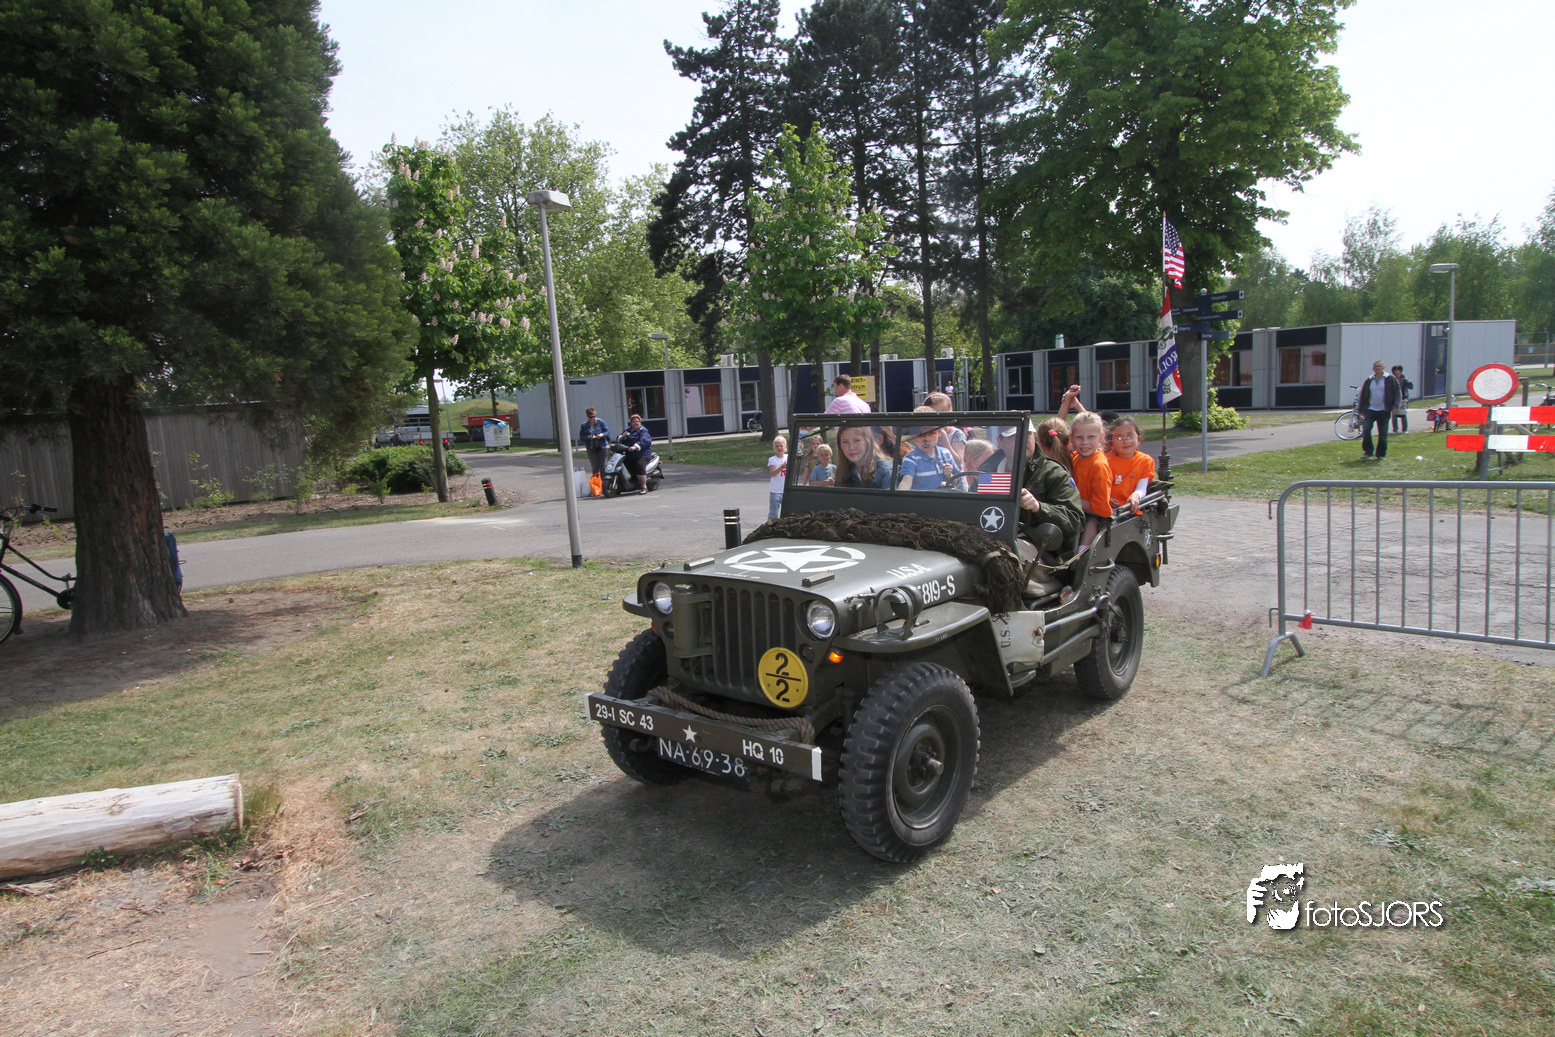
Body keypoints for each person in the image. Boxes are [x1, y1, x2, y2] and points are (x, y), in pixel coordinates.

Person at [1015, 419, 1085, 560]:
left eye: (1027, 434)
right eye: (1014, 436)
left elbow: (1074, 520)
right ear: (1000, 441)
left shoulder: (1054, 473)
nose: (1023, 440)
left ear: (1034, 437)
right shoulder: (990, 470)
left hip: (1044, 549)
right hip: (1001, 534)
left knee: (1004, 552)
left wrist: (1039, 507)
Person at [1069, 412, 1113, 547]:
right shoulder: (1075, 457)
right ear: (1072, 438)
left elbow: (1101, 509)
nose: (1085, 442)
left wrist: (1069, 499)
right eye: (1079, 437)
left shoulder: (1098, 465)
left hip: (1094, 514)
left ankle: (1081, 552)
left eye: (1091, 437)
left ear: (1101, 437)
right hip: (1078, 509)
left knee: (1091, 523)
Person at [897, 409, 957, 491]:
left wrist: (949, 476)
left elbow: (956, 480)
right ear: (912, 435)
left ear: (939, 432)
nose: (926, 439)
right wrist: (901, 496)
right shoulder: (911, 459)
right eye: (920, 435)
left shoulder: (946, 454)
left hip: (944, 498)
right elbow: (906, 481)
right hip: (923, 498)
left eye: (931, 434)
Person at [1105, 416, 1156, 511]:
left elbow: (1142, 488)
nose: (1126, 441)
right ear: (1111, 444)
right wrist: (1106, 498)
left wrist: (1136, 495)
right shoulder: (1105, 460)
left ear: (1139, 440)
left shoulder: (1145, 460)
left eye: (1130, 436)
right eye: (1119, 437)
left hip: (1130, 508)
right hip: (1107, 507)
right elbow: (1098, 486)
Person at [1356, 360, 1401, 460]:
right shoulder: (1369, 380)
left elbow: (1397, 393)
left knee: (1383, 433)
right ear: (1373, 368)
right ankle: (1368, 452)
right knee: (1366, 430)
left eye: (1380, 366)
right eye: (1376, 366)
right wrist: (1361, 409)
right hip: (1371, 409)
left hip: (1384, 410)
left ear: (1384, 367)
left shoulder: (1390, 379)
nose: (1377, 368)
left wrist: (1395, 406)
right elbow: (1364, 395)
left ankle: (1381, 454)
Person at [924, 391, 966, 466]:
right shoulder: (923, 434)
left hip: (953, 473)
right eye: (936, 413)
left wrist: (944, 440)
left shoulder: (956, 434)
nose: (941, 417)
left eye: (945, 412)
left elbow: (958, 463)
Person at [617, 413, 654, 495]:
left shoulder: (643, 430)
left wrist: (635, 446)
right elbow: (618, 438)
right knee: (623, 465)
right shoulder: (627, 430)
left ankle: (644, 486)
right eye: (634, 421)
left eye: (637, 421)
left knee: (639, 465)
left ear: (640, 422)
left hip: (642, 454)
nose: (635, 423)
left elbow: (645, 440)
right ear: (631, 423)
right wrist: (622, 436)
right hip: (629, 454)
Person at [579, 407, 611, 481]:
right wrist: (588, 437)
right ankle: (596, 483)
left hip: (602, 446)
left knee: (603, 465)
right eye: (591, 417)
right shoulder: (584, 425)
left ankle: (604, 483)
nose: (592, 418)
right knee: (595, 466)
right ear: (587, 416)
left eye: (594, 416)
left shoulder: (601, 422)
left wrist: (601, 435)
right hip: (591, 447)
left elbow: (607, 431)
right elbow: (581, 437)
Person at [767, 435, 789, 519]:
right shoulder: (772, 459)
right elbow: (773, 473)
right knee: (773, 513)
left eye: (781, 446)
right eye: (777, 446)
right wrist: (781, 467)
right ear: (774, 448)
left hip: (786, 490)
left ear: (785, 446)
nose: (779, 448)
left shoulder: (788, 457)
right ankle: (771, 525)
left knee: (787, 512)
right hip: (776, 490)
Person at [1391, 365, 1413, 433]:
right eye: (1394, 371)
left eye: (1397, 370)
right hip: (1394, 398)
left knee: (1403, 414)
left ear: (1400, 371)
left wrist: (1409, 382)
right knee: (1394, 414)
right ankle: (1395, 430)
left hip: (1403, 398)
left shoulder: (1405, 378)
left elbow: (1411, 387)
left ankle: (1405, 430)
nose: (1396, 372)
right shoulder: (1392, 378)